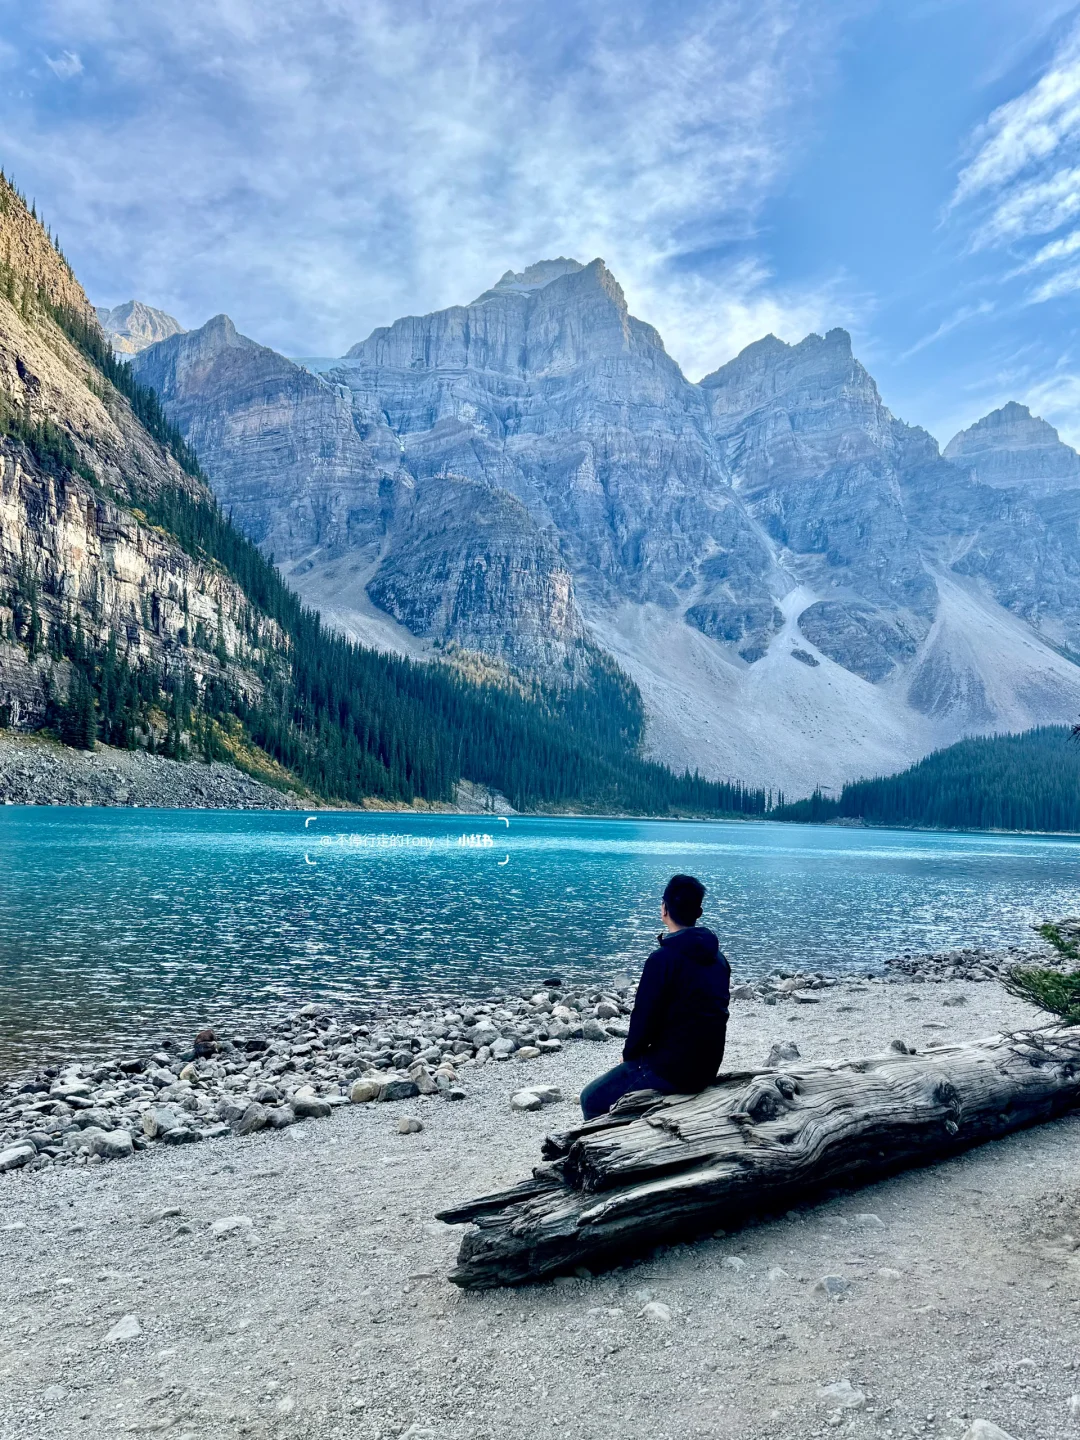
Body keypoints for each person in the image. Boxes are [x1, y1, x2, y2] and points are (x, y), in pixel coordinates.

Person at [579, 874, 730, 1121]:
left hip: (673, 1069)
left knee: (592, 1099)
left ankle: (607, 1152)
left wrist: (629, 1057)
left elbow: (644, 1018)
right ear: (698, 912)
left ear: (664, 909)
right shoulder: (719, 959)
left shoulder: (662, 960)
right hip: (708, 1065)